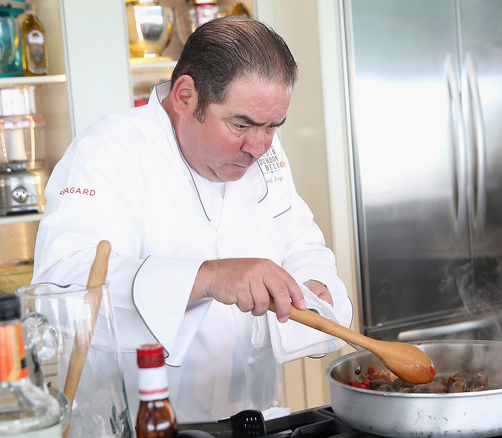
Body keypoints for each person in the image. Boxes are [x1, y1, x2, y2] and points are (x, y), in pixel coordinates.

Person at [31, 15, 353, 422]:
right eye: (241, 124)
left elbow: (300, 240)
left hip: (252, 416)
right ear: (185, 96)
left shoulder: (264, 149)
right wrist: (206, 278)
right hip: (136, 423)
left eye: (273, 126)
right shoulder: (105, 153)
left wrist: (314, 283)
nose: (258, 146)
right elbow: (61, 285)